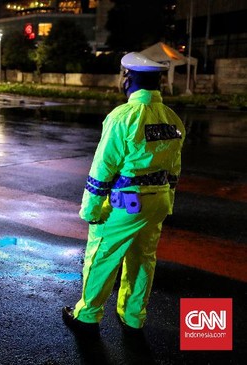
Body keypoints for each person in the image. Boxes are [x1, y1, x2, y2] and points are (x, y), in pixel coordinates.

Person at [62, 52, 186, 334]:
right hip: (158, 200)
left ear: (128, 79)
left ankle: (87, 315)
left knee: (103, 255)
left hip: (126, 202)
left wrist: (92, 209)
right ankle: (133, 316)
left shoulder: (123, 117)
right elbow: (175, 168)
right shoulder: (172, 119)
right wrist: (169, 200)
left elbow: (103, 167)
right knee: (143, 259)